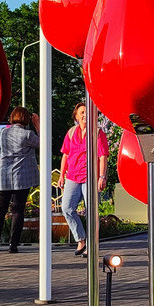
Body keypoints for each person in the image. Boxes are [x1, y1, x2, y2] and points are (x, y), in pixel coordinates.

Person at [58, 101, 108, 256]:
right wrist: (61, 175)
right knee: (67, 208)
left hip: (90, 178)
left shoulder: (97, 133)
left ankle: (92, 245)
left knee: (91, 211)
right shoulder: (71, 132)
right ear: (76, 116)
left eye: (87, 112)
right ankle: (81, 239)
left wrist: (102, 176)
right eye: (82, 112)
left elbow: (103, 156)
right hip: (72, 176)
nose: (85, 115)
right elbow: (65, 154)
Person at [0, 106, 40, 253]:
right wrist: (37, 124)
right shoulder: (28, 135)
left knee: (0, 210)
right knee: (18, 210)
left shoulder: (2, 132)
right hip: (21, 177)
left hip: (3, 176)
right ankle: (13, 245)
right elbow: (43, 143)